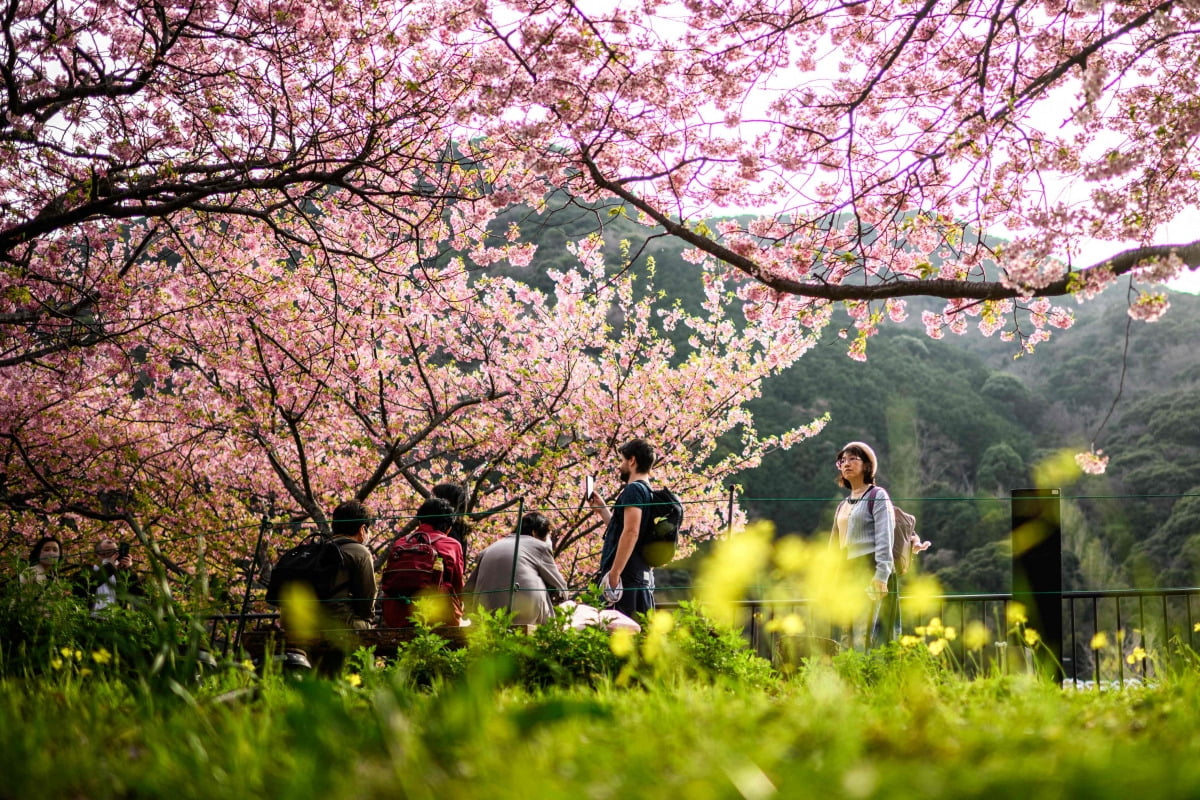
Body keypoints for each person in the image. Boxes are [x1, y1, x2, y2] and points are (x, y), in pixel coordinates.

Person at [830, 441, 905, 649]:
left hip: (869, 568)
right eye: (842, 460)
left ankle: (868, 678)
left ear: (867, 465)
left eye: (853, 459)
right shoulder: (843, 505)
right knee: (846, 631)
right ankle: (850, 677)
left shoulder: (877, 496)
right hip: (846, 571)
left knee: (866, 632)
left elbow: (885, 538)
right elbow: (834, 546)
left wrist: (881, 576)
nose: (846, 464)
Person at [589, 438, 657, 617]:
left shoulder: (633, 490)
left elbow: (631, 532)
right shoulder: (649, 492)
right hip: (642, 576)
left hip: (626, 579)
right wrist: (603, 511)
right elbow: (628, 529)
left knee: (619, 634)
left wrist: (614, 574)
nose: (619, 466)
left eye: (621, 460)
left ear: (632, 460)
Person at [464, 512, 569, 625]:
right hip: (524, 613)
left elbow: (467, 590)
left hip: (484, 616)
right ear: (534, 533)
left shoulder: (488, 549)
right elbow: (561, 588)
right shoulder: (540, 546)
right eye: (548, 536)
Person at [381, 497, 466, 628]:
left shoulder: (400, 543)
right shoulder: (451, 545)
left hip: (398, 616)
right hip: (438, 617)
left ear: (420, 521)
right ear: (448, 528)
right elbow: (457, 585)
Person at [323, 499, 379, 631]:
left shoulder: (318, 548)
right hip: (339, 624)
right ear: (363, 529)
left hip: (304, 622)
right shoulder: (360, 552)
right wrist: (367, 620)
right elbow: (367, 596)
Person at [81, 537, 139, 611]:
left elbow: (137, 595)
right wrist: (110, 566)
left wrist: (129, 569)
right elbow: (84, 587)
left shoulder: (122, 574)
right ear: (99, 554)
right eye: (108, 542)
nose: (112, 540)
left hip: (115, 620)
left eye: (116, 551)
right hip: (90, 619)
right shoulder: (88, 570)